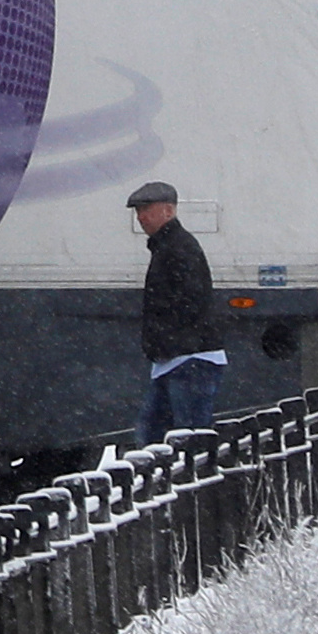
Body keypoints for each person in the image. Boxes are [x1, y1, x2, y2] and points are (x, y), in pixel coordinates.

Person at [130, 180, 228, 444]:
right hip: (178, 359)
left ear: (169, 211)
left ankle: (184, 483)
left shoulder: (177, 248)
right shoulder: (170, 246)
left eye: (146, 209)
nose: (141, 217)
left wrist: (165, 341)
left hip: (188, 359)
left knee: (176, 439)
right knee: (162, 437)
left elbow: (189, 301)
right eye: (138, 211)